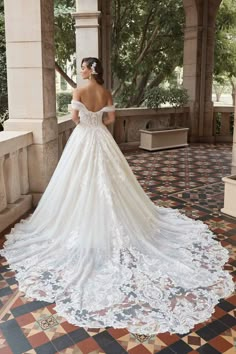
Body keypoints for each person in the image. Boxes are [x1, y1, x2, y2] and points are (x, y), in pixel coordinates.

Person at [0, 57, 233, 335]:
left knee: (78, 184)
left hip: (83, 140)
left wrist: (86, 121)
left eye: (84, 66)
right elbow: (110, 119)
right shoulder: (106, 92)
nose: (82, 70)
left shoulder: (78, 91)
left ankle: (84, 223)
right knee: (113, 183)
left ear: (90, 70)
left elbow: (74, 119)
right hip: (102, 139)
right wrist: (97, 122)